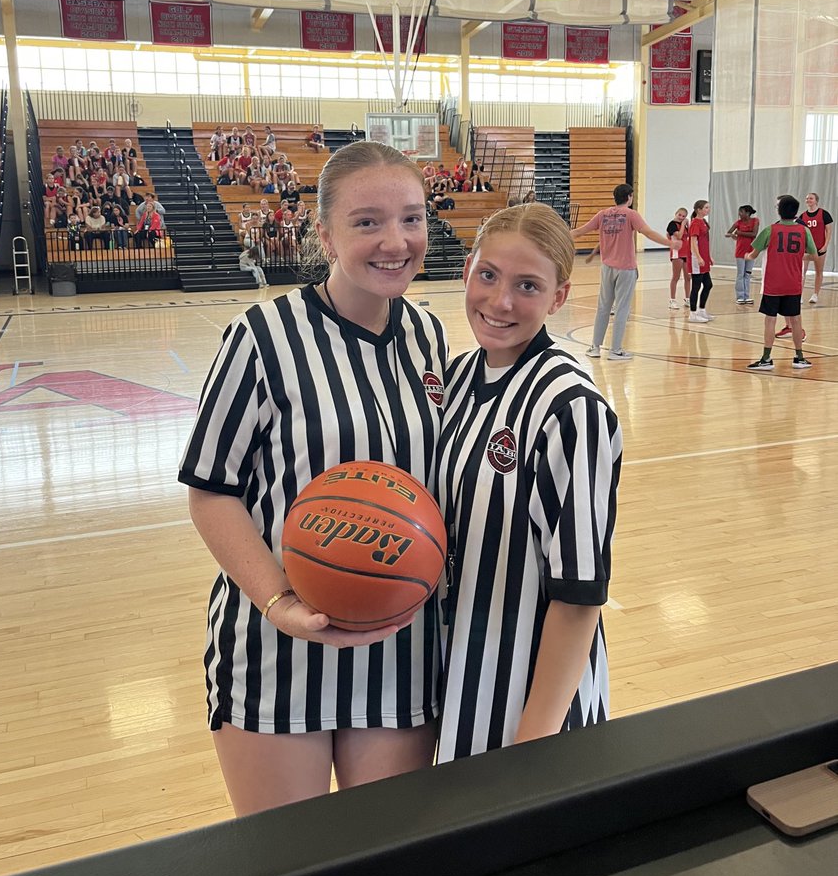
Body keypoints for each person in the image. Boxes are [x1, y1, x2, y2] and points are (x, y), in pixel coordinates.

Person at [178, 140, 447, 817]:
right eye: (368, 222)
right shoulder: (261, 338)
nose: (396, 241)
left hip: (399, 646)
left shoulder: (430, 337)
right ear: (324, 233)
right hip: (276, 646)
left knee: (384, 863)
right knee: (285, 875)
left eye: (412, 218)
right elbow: (211, 491)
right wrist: (278, 601)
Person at [436, 203, 621, 761]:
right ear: (468, 268)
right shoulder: (458, 377)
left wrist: (533, 746)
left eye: (528, 285)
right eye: (488, 275)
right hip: (454, 679)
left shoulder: (571, 407)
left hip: (529, 707)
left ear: (558, 297)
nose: (501, 302)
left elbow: (580, 595)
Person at [571, 183, 670, 360]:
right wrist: (669, 243)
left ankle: (595, 347)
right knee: (622, 309)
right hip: (625, 269)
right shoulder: (631, 215)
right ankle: (615, 350)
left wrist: (555, 235)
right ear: (630, 197)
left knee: (603, 308)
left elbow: (579, 231)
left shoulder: (602, 215)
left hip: (607, 268)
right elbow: (648, 232)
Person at [746, 195, 816, 372]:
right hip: (793, 283)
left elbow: (753, 254)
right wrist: (798, 256)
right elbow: (813, 255)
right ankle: (799, 357)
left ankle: (766, 358)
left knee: (770, 321)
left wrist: (747, 256)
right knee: (796, 320)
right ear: (796, 212)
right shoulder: (803, 230)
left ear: (779, 210)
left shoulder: (771, 230)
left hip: (773, 283)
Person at [798, 192, 832, 305]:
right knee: (802, 272)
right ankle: (799, 295)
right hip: (806, 248)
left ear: (816, 200)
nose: (808, 200)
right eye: (807, 198)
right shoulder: (802, 216)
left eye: (811, 198)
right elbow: (799, 232)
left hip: (819, 247)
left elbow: (828, 231)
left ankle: (815, 294)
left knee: (819, 271)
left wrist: (825, 245)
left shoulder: (824, 214)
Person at [686, 200, 715, 324]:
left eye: (708, 207)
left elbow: (704, 242)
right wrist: (698, 257)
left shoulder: (703, 222)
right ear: (698, 209)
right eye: (706, 207)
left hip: (704, 258)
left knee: (708, 284)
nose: (708, 209)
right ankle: (692, 314)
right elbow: (693, 242)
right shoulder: (695, 223)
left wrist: (709, 257)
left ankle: (701, 310)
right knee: (696, 286)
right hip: (696, 259)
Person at [726, 204, 759, 305]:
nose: (739, 214)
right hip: (740, 251)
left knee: (747, 274)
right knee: (740, 274)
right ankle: (740, 296)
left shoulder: (755, 221)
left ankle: (746, 296)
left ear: (748, 213)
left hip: (751, 251)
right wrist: (734, 235)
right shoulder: (738, 223)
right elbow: (728, 233)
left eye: (741, 212)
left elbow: (754, 234)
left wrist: (739, 233)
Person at [666, 207, 690, 309]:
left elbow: (689, 236)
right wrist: (684, 225)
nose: (681, 217)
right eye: (679, 215)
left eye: (683, 216)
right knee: (676, 276)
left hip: (686, 253)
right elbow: (679, 236)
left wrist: (687, 226)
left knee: (688, 277)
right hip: (677, 253)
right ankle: (672, 300)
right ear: (676, 214)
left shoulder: (685, 226)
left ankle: (688, 299)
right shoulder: (672, 224)